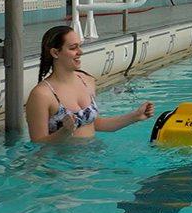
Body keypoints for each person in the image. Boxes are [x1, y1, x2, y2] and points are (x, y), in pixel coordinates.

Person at [25, 25, 155, 143]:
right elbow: (38, 143)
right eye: (73, 48)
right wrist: (65, 131)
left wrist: (135, 116)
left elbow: (96, 124)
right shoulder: (41, 95)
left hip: (92, 160)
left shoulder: (87, 81)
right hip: (61, 166)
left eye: (79, 46)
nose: (80, 52)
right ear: (55, 52)